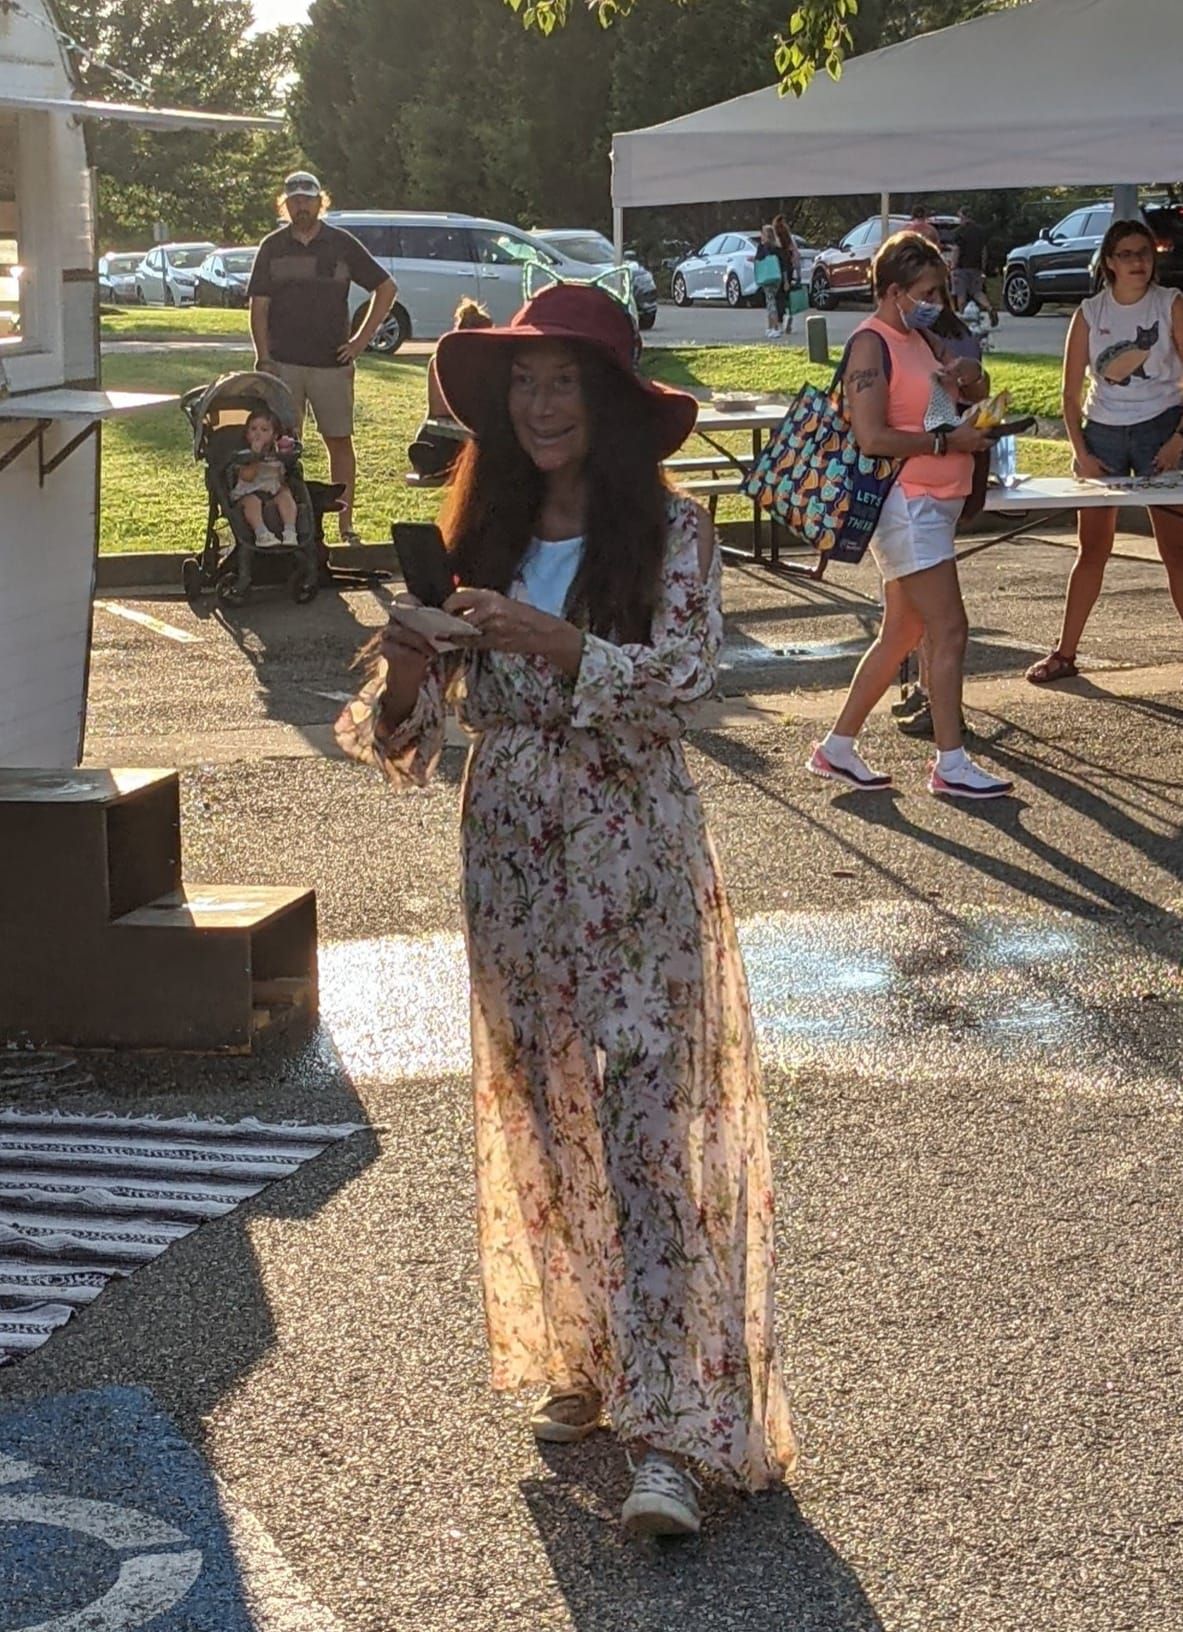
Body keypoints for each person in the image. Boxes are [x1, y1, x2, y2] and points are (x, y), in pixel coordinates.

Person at [335, 283, 795, 1537]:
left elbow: (684, 679)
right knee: (547, 1110)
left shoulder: (675, 535)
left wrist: (550, 641)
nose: (540, 405)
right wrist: (420, 662)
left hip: (631, 852)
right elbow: (405, 744)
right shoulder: (482, 532)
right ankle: (587, 1361)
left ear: (607, 401)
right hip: (511, 855)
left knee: (650, 1127)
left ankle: (676, 1433)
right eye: (522, 384)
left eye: (563, 383)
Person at [806, 231, 1013, 799]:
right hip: (910, 506)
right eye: (925, 291)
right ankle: (951, 762)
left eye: (940, 291)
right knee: (949, 627)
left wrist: (965, 381)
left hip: (933, 503)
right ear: (893, 290)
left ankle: (837, 747)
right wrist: (949, 445)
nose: (937, 303)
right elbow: (872, 437)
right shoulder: (871, 344)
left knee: (903, 631)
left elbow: (943, 404)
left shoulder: (918, 337)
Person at [1026, 218, 1183, 685]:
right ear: (1110, 263)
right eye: (1127, 254)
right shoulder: (1090, 312)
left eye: (1144, 253)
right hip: (1105, 432)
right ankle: (1065, 652)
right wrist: (1082, 451)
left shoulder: (1171, 304)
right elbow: (1069, 395)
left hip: (1161, 427)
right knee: (1092, 548)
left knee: (1175, 550)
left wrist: (1178, 440)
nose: (1138, 262)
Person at [248, 171, 396, 545]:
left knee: (338, 440)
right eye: (294, 199)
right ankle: (289, 525)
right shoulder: (272, 246)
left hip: (332, 364)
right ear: (285, 204)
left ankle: (344, 525)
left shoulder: (341, 244)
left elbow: (386, 288)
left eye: (308, 199)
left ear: (320, 202)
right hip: (283, 364)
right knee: (280, 447)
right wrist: (263, 357)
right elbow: (259, 307)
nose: (301, 205)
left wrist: (361, 340)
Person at [407, 298, 493, 477]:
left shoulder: (491, 363)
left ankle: (448, 464)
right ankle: (439, 462)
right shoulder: (441, 360)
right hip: (445, 430)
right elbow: (439, 409)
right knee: (441, 441)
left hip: (474, 430)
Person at [228, 409, 300, 549]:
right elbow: (247, 477)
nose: (258, 433)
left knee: (285, 495)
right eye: (253, 429)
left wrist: (287, 456)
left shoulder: (278, 453)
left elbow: (282, 477)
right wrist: (256, 456)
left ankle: (290, 531)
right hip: (250, 491)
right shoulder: (244, 454)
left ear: (275, 435)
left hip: (273, 490)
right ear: (247, 434)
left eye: (264, 429)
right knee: (252, 502)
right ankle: (261, 533)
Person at [951, 205, 998, 326]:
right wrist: (982, 267)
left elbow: (957, 250)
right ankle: (989, 308)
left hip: (961, 268)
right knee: (977, 291)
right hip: (976, 267)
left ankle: (963, 322)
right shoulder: (980, 231)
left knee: (961, 294)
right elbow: (984, 251)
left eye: (960, 217)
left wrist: (952, 266)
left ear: (964, 216)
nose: (959, 220)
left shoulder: (959, 232)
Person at [772, 213, 801, 335]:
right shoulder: (789, 240)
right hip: (788, 271)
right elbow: (796, 256)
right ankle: (789, 317)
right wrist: (798, 274)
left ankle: (779, 323)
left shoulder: (777, 243)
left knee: (779, 299)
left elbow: (781, 261)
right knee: (788, 297)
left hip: (779, 272)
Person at [754, 224, 784, 340]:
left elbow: (759, 258)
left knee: (771, 303)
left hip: (767, 278)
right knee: (771, 302)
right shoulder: (777, 248)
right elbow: (783, 264)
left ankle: (775, 327)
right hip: (776, 277)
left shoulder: (764, 248)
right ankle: (771, 327)